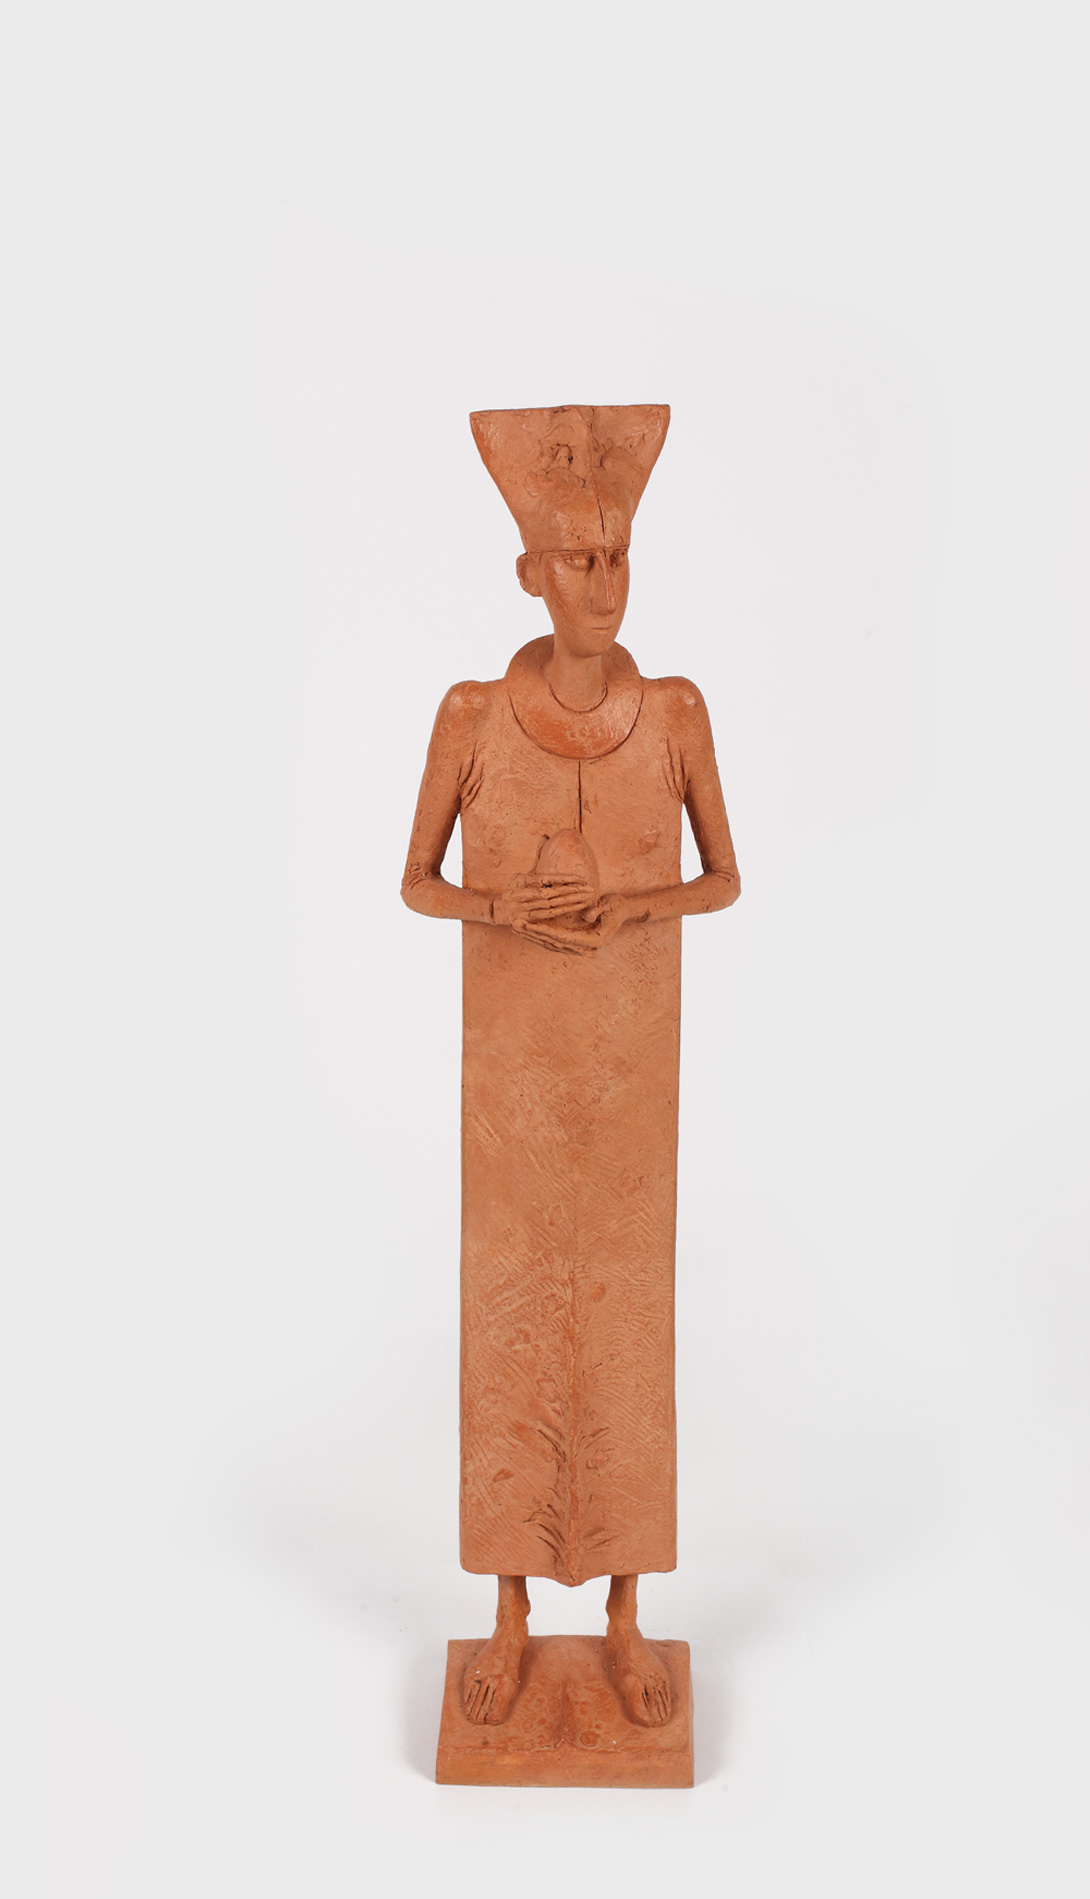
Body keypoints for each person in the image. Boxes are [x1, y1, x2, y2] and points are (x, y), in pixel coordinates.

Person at [401, 405, 740, 1723]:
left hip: (630, 1057)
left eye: (616, 559)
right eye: (578, 561)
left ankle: (626, 1614)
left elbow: (725, 876)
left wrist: (633, 904)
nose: (601, 584)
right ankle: (506, 1610)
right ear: (530, 573)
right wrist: (501, 907)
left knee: (625, 1317)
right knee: (514, 1317)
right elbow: (416, 879)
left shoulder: (675, 713)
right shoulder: (474, 715)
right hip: (514, 1070)